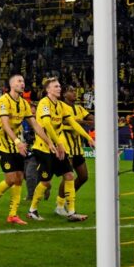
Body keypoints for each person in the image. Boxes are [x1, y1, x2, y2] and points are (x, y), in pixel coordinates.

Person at [0, 74, 44, 226]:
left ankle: (12, 215)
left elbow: (35, 125)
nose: (22, 83)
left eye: (23, 81)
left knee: (19, 178)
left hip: (16, 144)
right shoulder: (3, 101)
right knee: (11, 179)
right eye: (19, 81)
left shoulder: (24, 103)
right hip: (2, 143)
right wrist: (18, 142)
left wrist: (49, 142)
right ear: (11, 85)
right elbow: (4, 123)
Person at [27, 78, 88, 222]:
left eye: (60, 86)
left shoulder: (61, 105)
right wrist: (58, 144)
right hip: (44, 148)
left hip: (57, 147)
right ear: (48, 90)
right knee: (46, 182)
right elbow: (47, 124)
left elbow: (73, 123)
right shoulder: (44, 103)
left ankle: (71, 212)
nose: (59, 88)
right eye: (56, 86)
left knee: (69, 175)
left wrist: (89, 138)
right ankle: (32, 210)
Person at [56, 85, 95, 216]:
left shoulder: (79, 108)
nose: (74, 93)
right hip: (66, 147)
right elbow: (61, 122)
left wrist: (97, 119)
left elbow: (89, 117)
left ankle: (69, 197)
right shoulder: (60, 106)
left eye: (74, 91)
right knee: (68, 177)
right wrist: (81, 122)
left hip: (78, 148)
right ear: (65, 94)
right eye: (71, 91)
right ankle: (60, 205)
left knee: (84, 177)